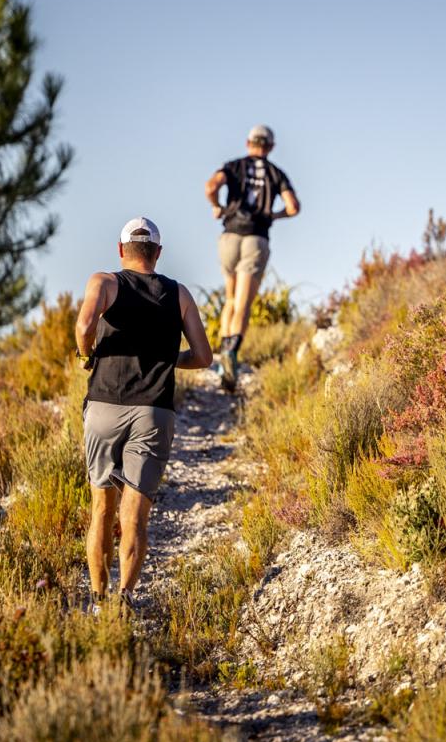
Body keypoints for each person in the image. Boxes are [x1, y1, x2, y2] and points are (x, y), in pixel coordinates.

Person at [74, 217, 212, 607]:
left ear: (121, 250)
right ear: (158, 253)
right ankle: (125, 599)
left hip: (104, 406)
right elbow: (203, 356)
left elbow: (84, 326)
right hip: (153, 412)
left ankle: (98, 600)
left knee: (102, 509)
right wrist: (168, 358)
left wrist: (87, 356)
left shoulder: (104, 282)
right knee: (134, 515)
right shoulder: (179, 294)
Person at [204, 124, 301, 388]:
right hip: (256, 238)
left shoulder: (234, 166)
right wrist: (274, 215)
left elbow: (211, 186)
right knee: (243, 304)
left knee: (230, 299)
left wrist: (217, 206)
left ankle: (223, 357)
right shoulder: (276, 173)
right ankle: (232, 353)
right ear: (271, 147)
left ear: (248, 143)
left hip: (230, 236)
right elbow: (293, 206)